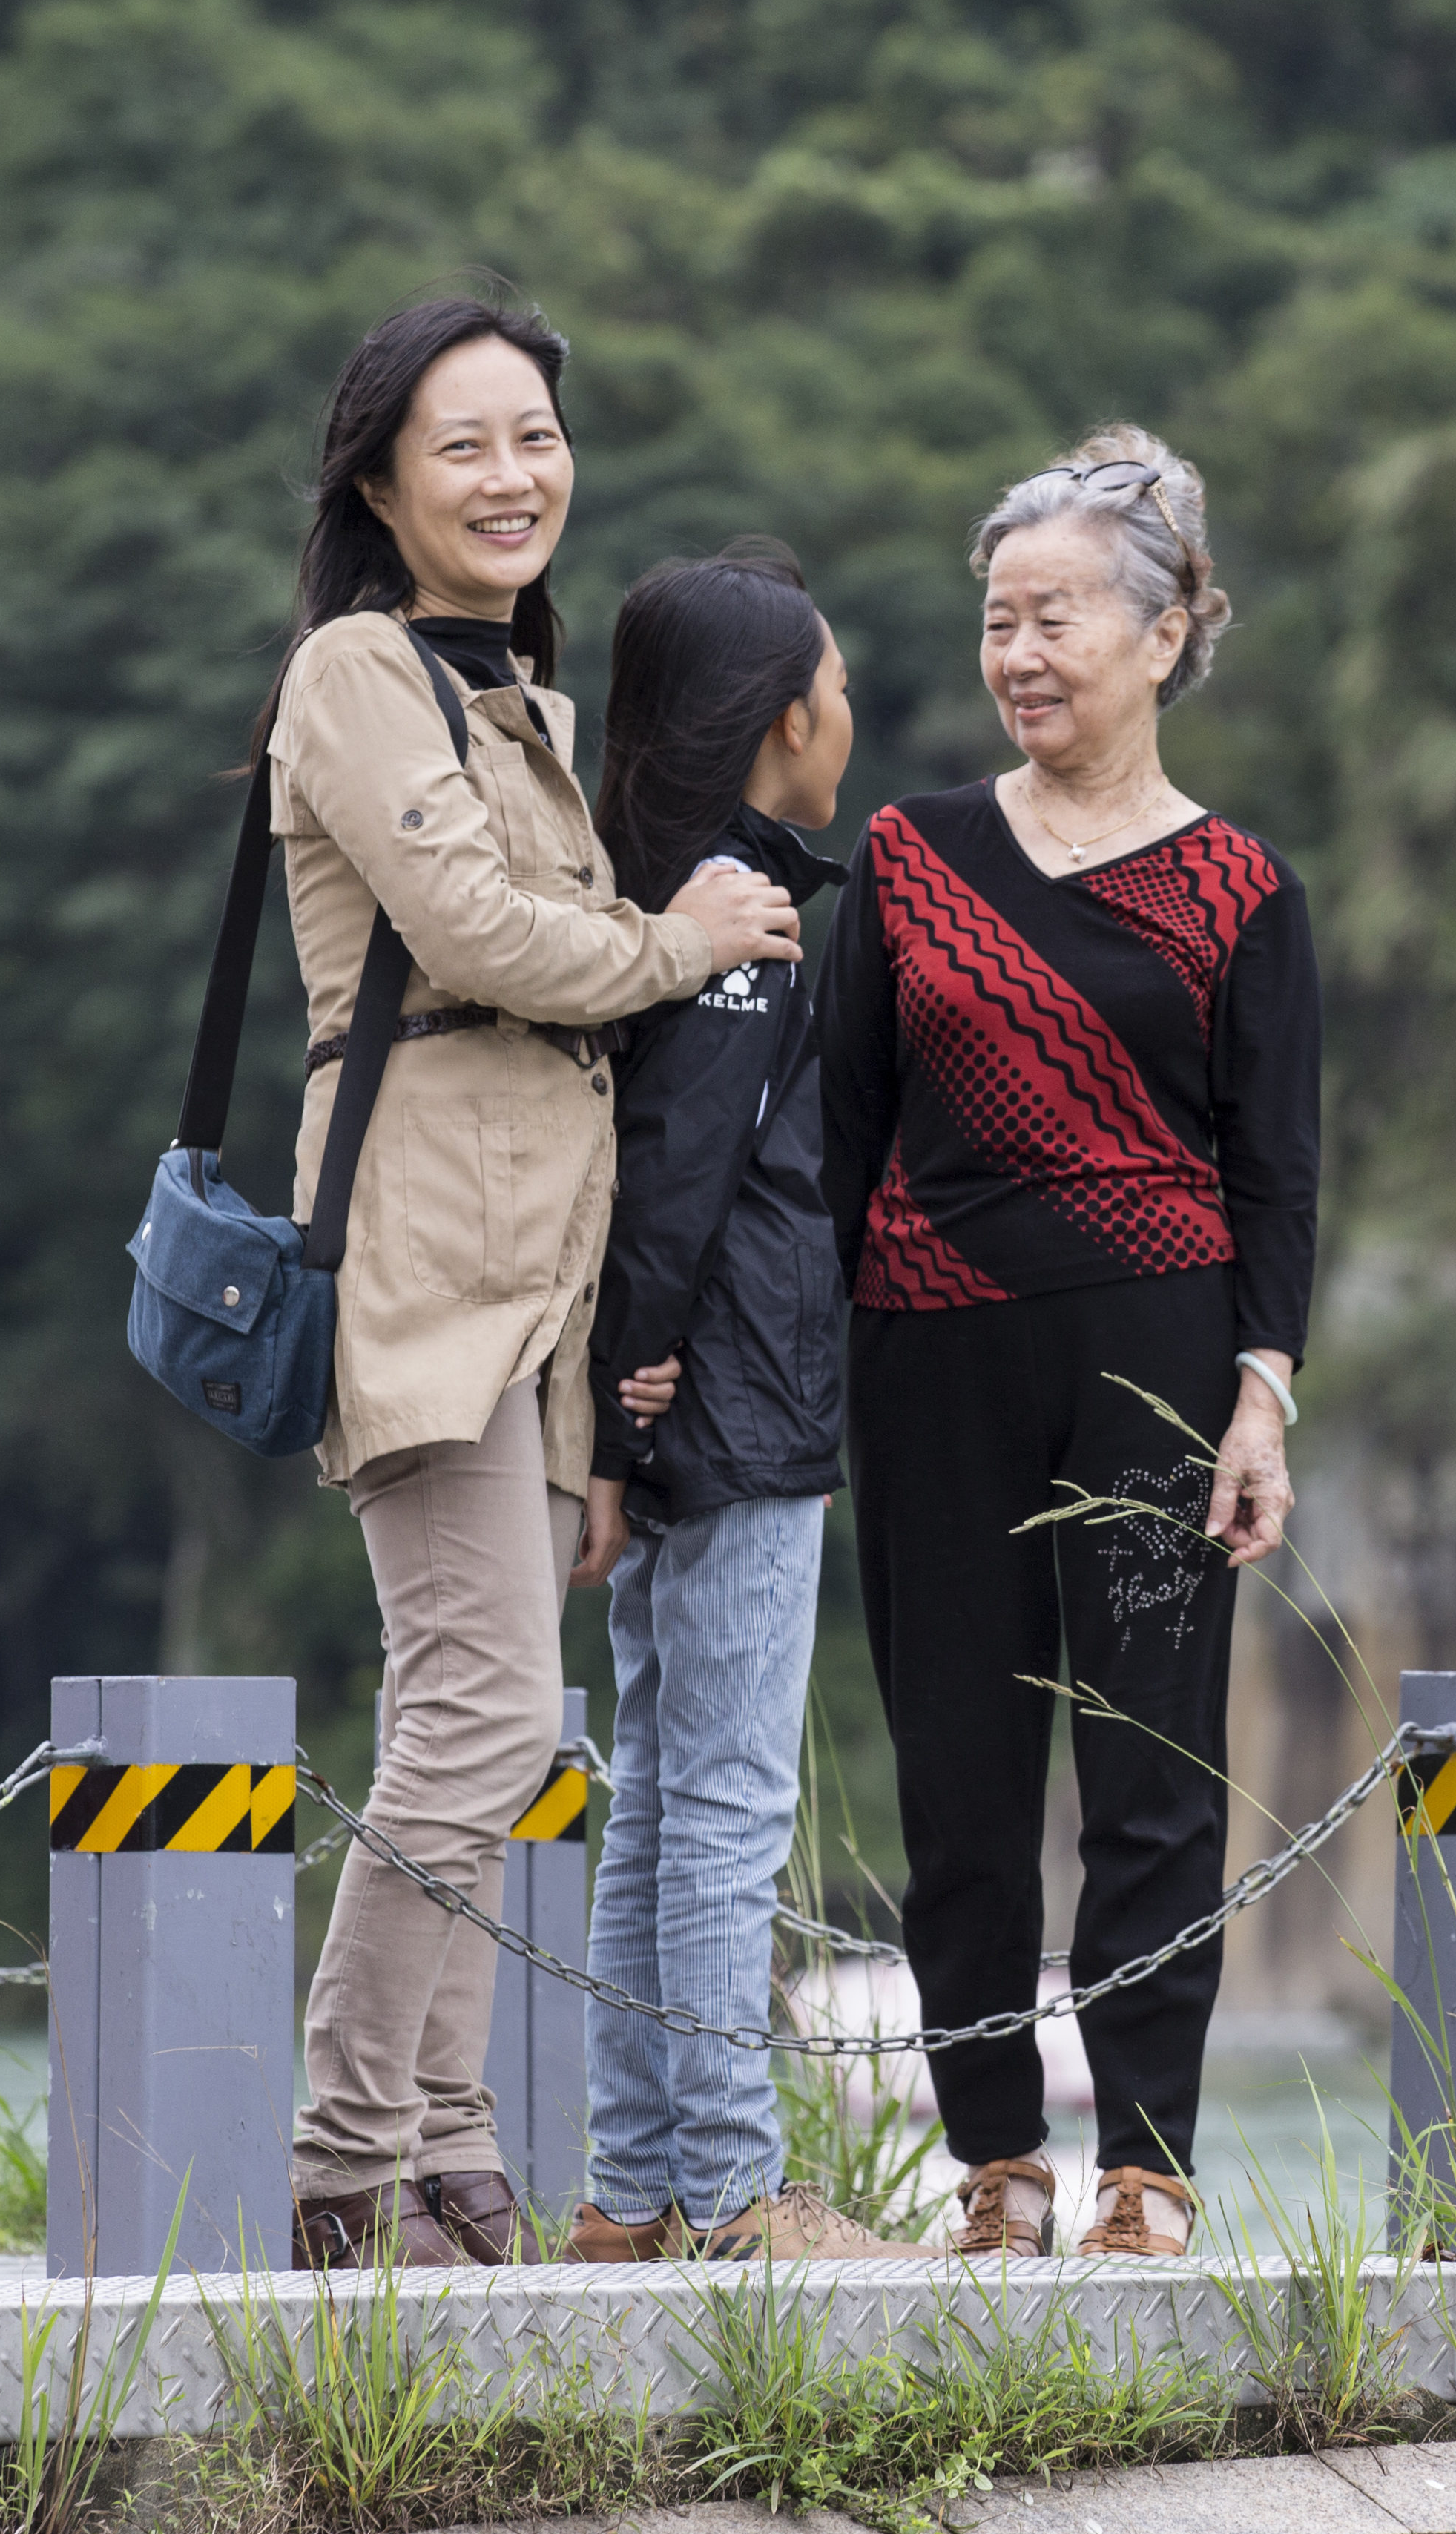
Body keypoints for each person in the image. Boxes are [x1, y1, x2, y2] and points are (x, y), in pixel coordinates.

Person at [270, 290, 803, 2272]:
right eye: (467, 444)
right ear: (380, 479)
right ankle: (345, 2161)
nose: (515, 476)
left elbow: (562, 1080)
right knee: (486, 1711)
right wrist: (680, 941)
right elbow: (480, 934)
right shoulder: (351, 673)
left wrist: (591, 1410)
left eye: (537, 439)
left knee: (492, 1706)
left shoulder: (516, 696)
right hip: (416, 1238)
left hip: (531, 1266)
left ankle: (451, 2139)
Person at [819, 424, 1318, 2261]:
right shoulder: (911, 853)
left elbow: (1280, 1177)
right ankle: (998, 2164)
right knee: (956, 1776)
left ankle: (1149, 2170)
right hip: (927, 1354)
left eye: (1055, 622)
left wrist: (1261, 1394)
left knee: (1147, 1770)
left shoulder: (1241, 892)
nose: (1019, 657)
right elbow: (834, 1139)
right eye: (996, 624)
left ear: (1167, 634)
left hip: (1158, 1362)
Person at [564, 542, 923, 2262]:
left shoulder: (672, 890)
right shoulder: (752, 917)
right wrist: (635, 1413)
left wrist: (627, 1412)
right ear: (786, 722)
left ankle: (631, 2188)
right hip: (744, 1397)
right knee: (721, 1806)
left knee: (654, 1797)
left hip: (686, 1399)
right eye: (837, 685)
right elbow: (679, 1170)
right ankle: (730, 2188)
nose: (850, 710)